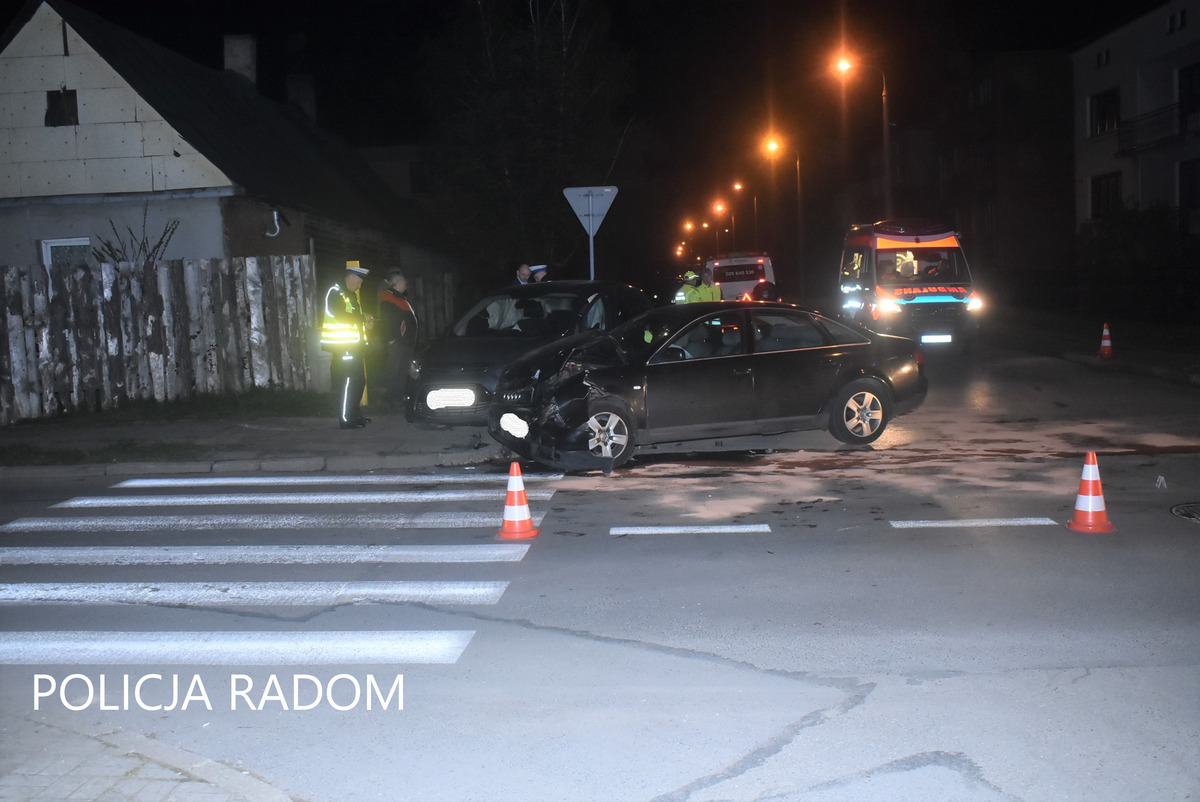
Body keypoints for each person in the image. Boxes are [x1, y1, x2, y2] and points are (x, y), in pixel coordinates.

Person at [321, 260, 372, 428]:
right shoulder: (336, 292)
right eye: (359, 280)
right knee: (348, 383)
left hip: (354, 347)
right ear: (350, 277)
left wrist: (366, 321)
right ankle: (345, 419)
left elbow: (354, 316)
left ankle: (354, 415)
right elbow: (341, 315)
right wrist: (361, 319)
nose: (360, 284)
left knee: (359, 382)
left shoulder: (349, 295)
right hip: (343, 347)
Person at [378, 268, 418, 411]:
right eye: (403, 281)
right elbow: (386, 319)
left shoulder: (400, 297)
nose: (405, 283)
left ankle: (398, 399)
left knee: (402, 372)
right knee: (395, 371)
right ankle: (393, 400)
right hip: (398, 343)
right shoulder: (390, 297)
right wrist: (390, 339)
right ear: (396, 283)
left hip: (405, 342)